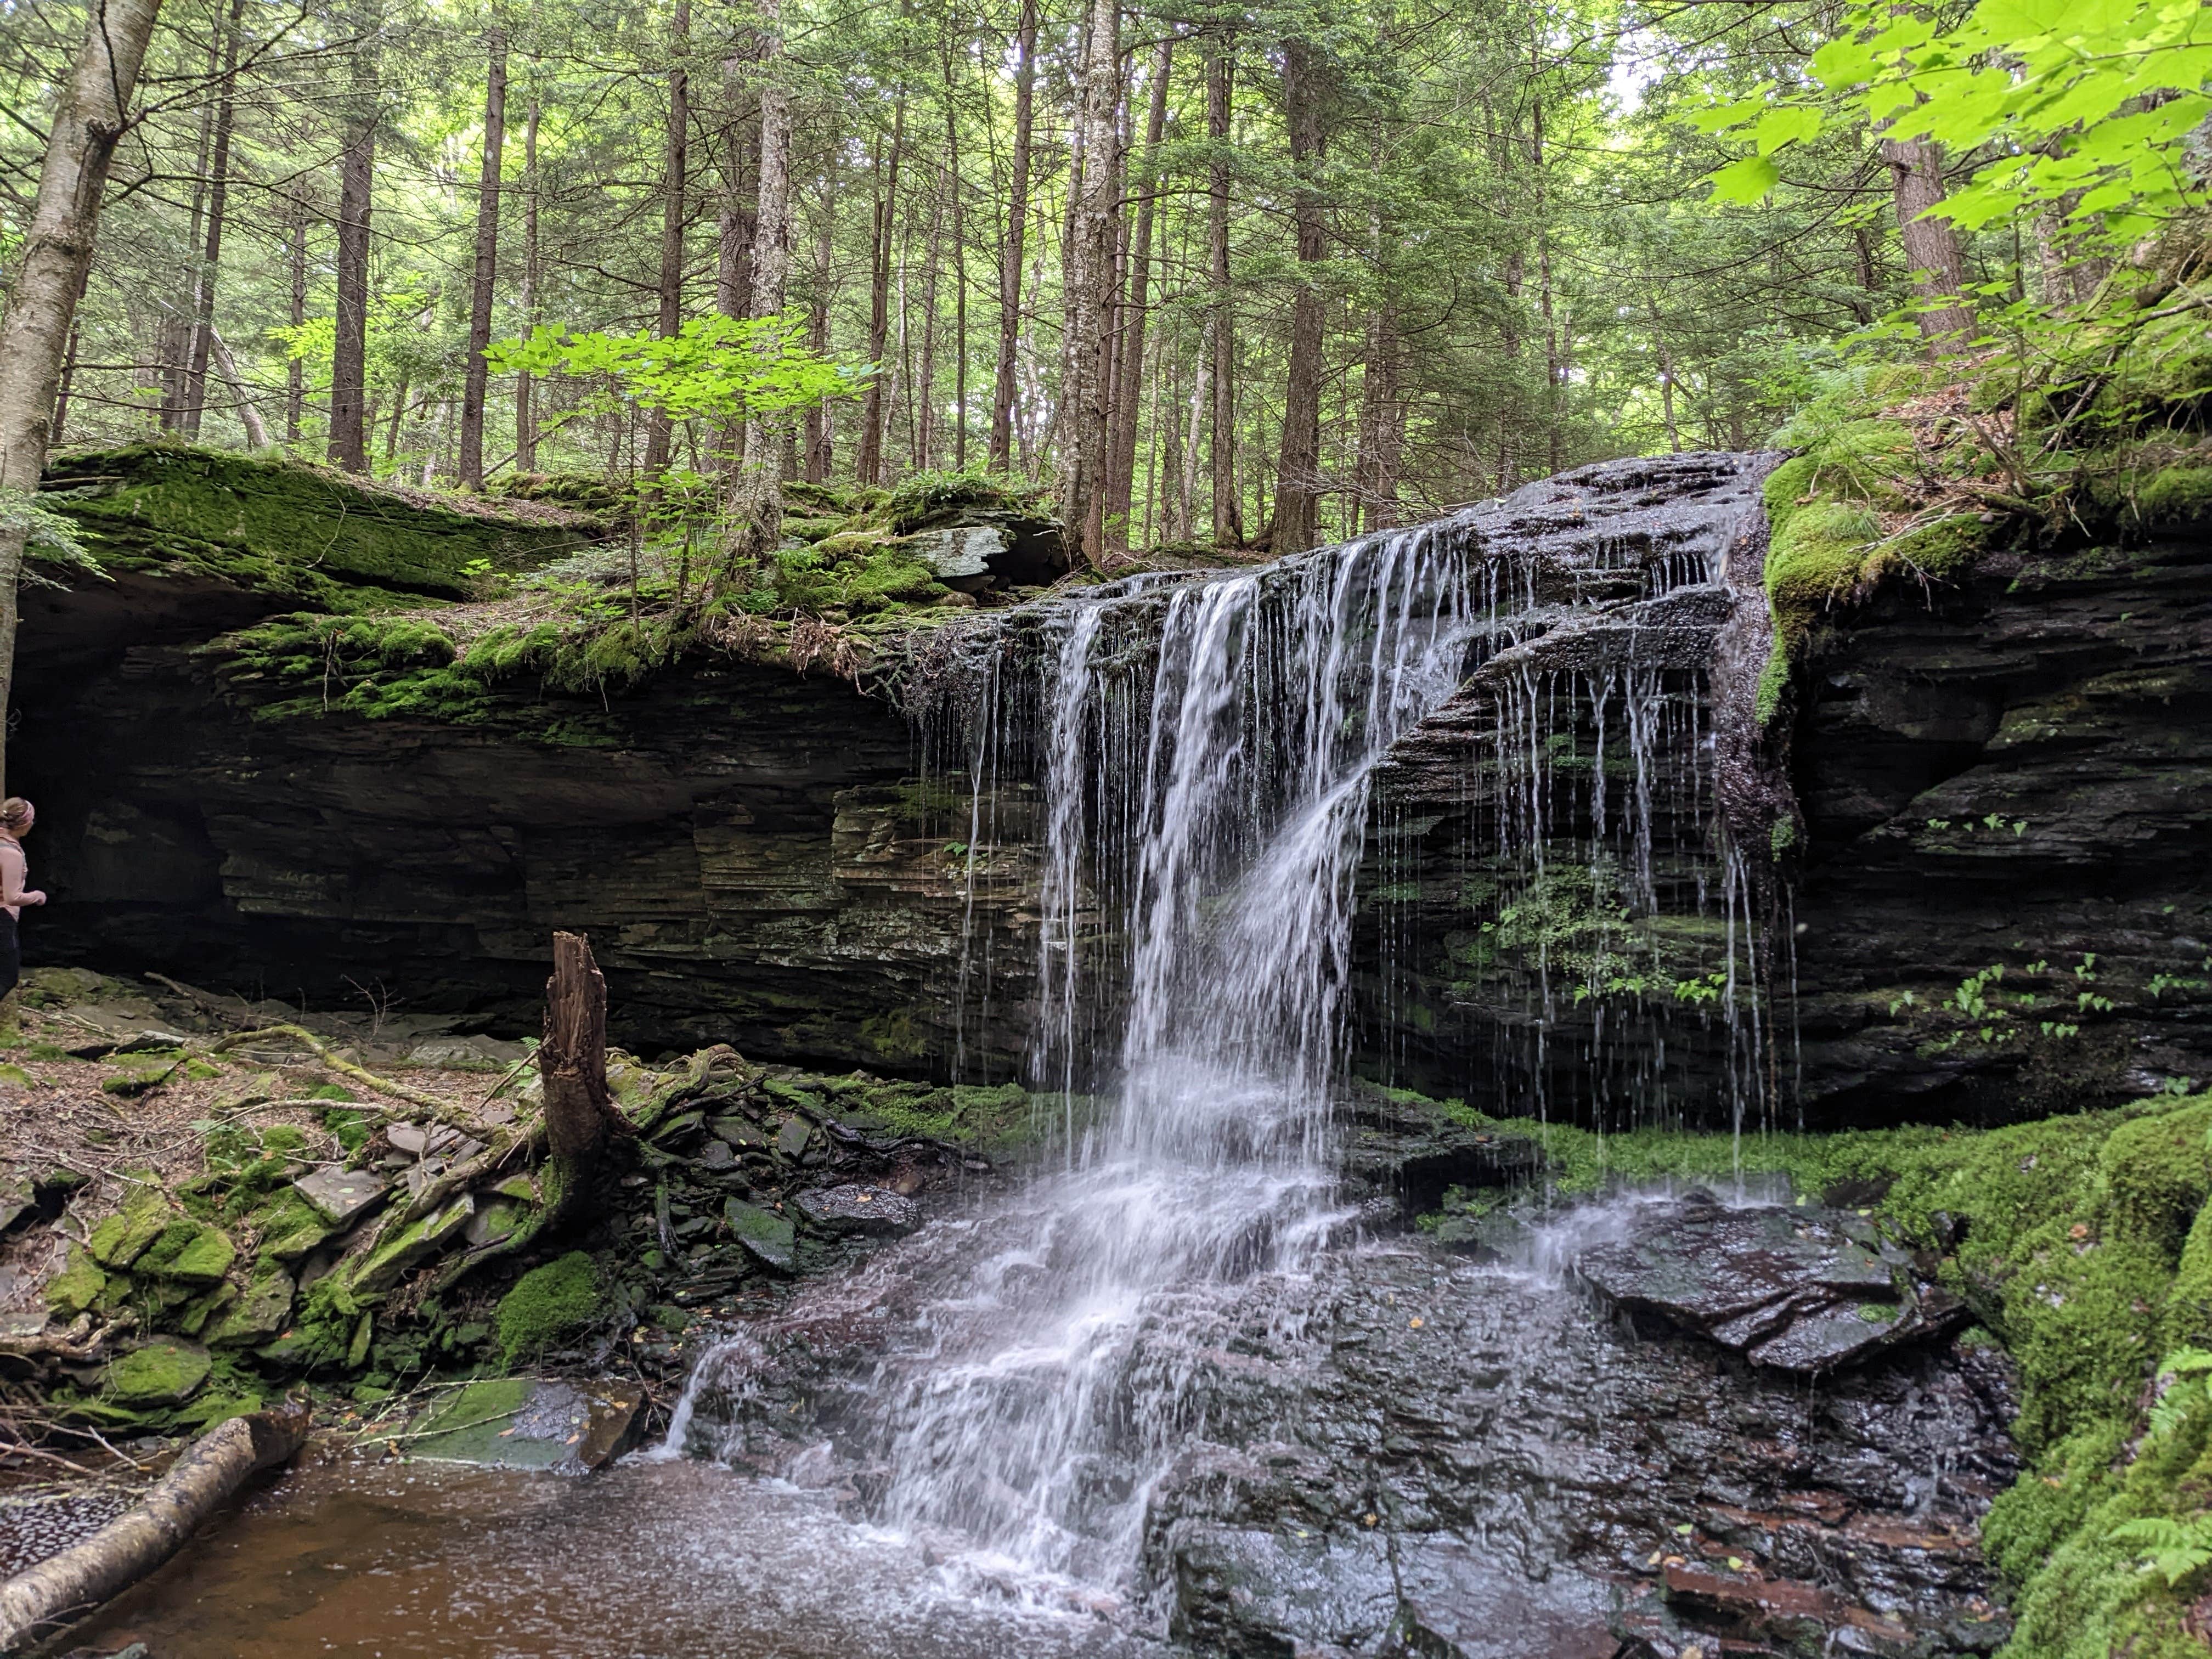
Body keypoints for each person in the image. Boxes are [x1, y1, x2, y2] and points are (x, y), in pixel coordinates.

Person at [0, 798, 46, 1000]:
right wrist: (36, 896)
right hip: (3, 917)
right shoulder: (11, 853)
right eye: (32, 820)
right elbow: (12, 897)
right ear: (25, 824)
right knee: (8, 977)